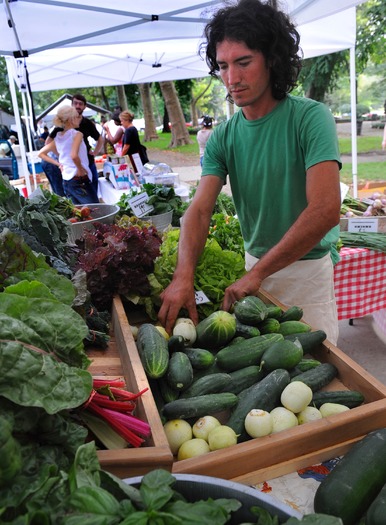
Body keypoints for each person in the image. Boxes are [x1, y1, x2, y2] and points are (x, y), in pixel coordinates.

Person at [158, 0, 342, 345]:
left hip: (305, 271)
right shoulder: (223, 136)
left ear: (272, 60)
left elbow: (325, 210)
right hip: (252, 268)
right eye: (223, 66)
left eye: (243, 62)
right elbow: (198, 210)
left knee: (316, 374)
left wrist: (257, 273)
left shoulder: (310, 118)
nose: (232, 78)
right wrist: (183, 275)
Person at [38, 106, 99, 204]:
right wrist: (80, 170)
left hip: (67, 179)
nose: (79, 119)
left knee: (78, 212)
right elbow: (74, 155)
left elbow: (41, 153)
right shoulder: (77, 134)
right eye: (77, 116)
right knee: (95, 210)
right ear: (71, 119)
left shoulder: (59, 137)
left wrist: (59, 164)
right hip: (79, 179)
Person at [71, 93, 104, 193]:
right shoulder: (65, 123)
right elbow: (51, 142)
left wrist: (96, 152)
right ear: (71, 104)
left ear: (85, 107)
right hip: (71, 165)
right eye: (75, 103)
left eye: (80, 104)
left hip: (88, 162)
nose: (78, 106)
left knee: (93, 189)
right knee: (76, 195)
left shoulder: (88, 123)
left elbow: (100, 139)